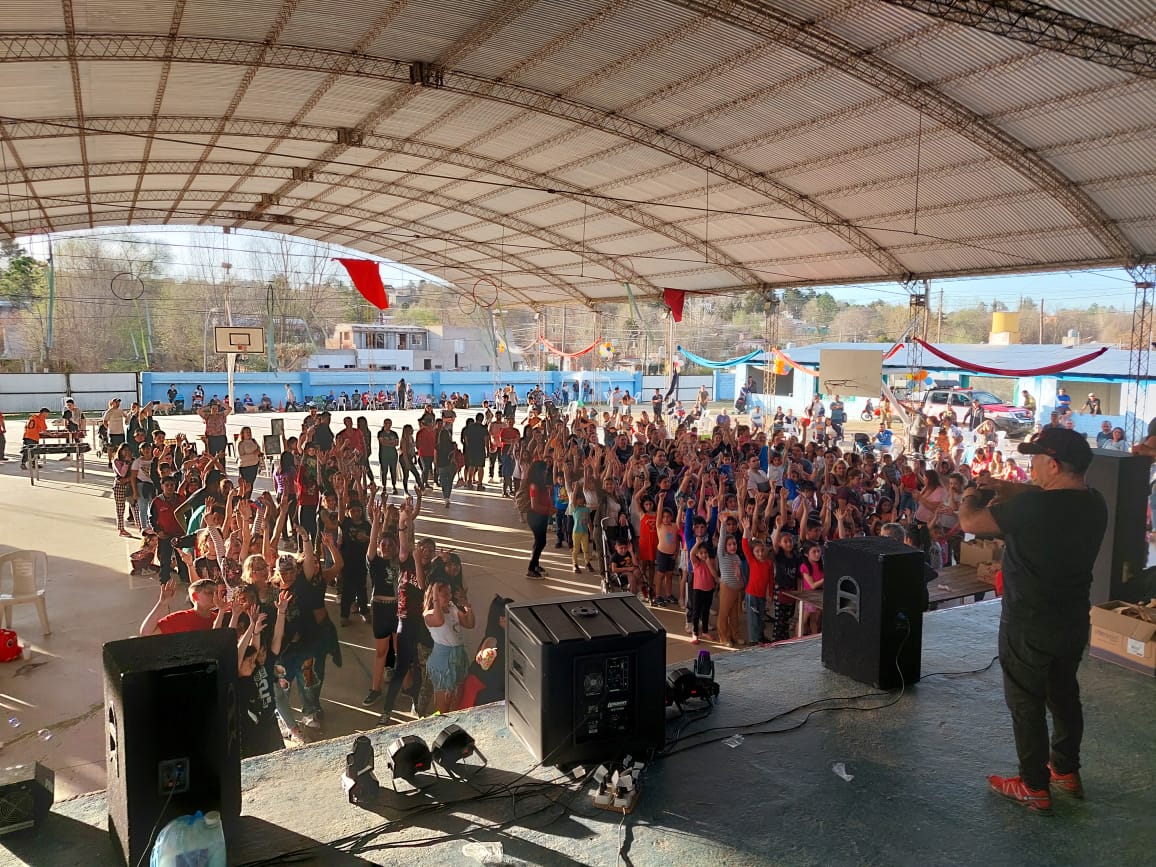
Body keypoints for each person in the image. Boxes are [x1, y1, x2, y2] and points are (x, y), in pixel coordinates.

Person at [958, 427, 1107, 813]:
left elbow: (970, 523)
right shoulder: (1095, 503)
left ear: (1053, 465)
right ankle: (1066, 771)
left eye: (1037, 459)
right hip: (1072, 620)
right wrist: (1005, 486)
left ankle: (1033, 785)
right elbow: (1045, 497)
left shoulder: (1032, 507)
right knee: (1064, 694)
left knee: (1026, 701)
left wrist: (971, 493)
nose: (1032, 466)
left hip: (1028, 622)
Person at [423, 578, 475, 713]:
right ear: (435, 597)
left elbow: (470, 624)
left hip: (459, 657)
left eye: (449, 593)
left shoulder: (452, 608)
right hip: (443, 662)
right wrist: (435, 596)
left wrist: (467, 607)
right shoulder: (428, 615)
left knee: (458, 699)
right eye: (444, 594)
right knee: (444, 706)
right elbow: (439, 621)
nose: (449, 597)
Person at [459, 594, 513, 709]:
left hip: (492, 689)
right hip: (478, 687)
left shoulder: (509, 634)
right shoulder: (494, 636)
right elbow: (488, 647)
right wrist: (485, 655)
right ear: (502, 619)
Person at [139, 578, 219, 635]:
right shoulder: (180, 618)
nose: (215, 596)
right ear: (195, 596)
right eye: (210, 593)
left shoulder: (219, 618)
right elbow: (146, 632)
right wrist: (162, 603)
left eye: (217, 593)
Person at [20, 406, 51, 471]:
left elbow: (27, 426)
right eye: (47, 414)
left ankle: (33, 464)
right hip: (33, 437)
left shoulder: (32, 417)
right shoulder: (40, 418)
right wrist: (52, 435)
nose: (47, 416)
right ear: (44, 413)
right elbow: (44, 431)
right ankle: (23, 464)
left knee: (30, 451)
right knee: (30, 451)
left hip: (27, 435)